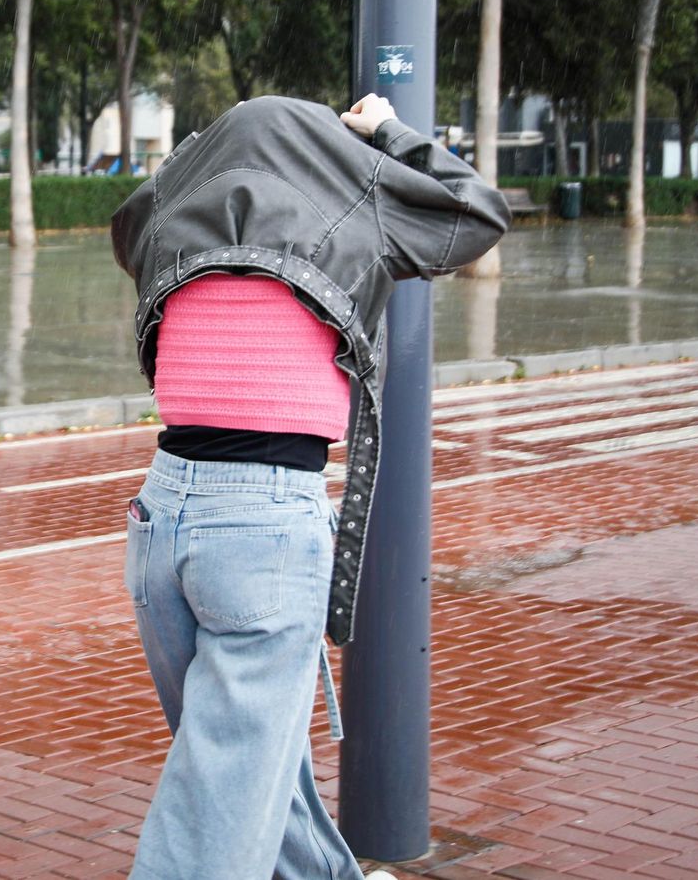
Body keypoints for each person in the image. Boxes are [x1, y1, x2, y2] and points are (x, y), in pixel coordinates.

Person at [110, 94, 510, 880]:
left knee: (249, 766)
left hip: (161, 517)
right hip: (262, 522)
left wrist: (197, 152)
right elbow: (476, 212)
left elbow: (129, 226)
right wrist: (387, 132)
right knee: (221, 804)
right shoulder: (352, 183)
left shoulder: (185, 194)